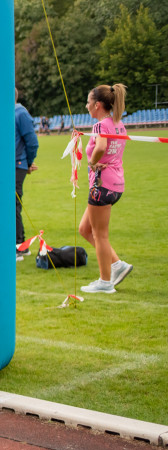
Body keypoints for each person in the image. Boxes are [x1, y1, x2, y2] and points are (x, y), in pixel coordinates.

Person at [79, 83, 131, 294]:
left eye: (89, 102)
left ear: (97, 105)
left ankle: (105, 282)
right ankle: (117, 265)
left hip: (103, 184)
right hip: (116, 183)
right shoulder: (118, 124)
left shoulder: (101, 126)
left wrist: (92, 163)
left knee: (100, 235)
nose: (86, 106)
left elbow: (100, 147)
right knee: (85, 229)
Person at [14, 87, 39, 261]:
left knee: (12, 203)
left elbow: (32, 142)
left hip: (18, 164)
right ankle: (17, 244)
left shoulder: (20, 113)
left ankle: (19, 247)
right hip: (8, 166)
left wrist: (28, 163)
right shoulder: (6, 112)